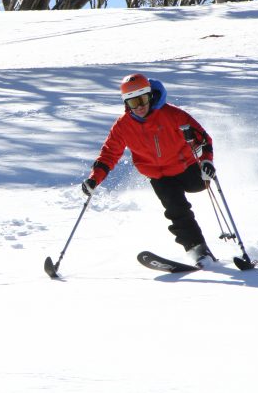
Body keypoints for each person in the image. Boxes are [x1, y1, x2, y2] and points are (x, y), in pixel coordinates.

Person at [81, 73, 218, 267]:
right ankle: (198, 251)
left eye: (143, 99)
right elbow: (108, 155)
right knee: (176, 210)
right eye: (133, 102)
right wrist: (94, 179)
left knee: (197, 186)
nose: (139, 107)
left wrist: (207, 162)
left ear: (150, 96)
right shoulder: (123, 126)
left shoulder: (173, 115)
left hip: (187, 167)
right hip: (159, 175)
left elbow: (203, 139)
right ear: (126, 103)